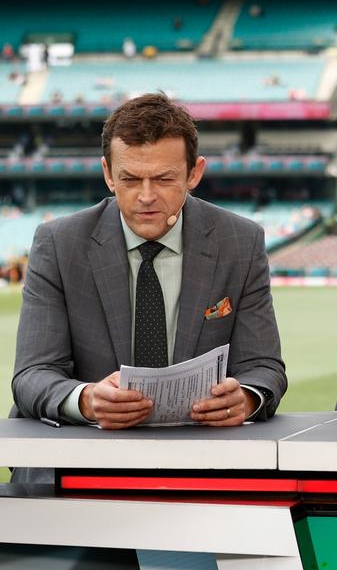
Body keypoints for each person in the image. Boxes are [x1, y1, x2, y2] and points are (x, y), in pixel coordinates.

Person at [10, 93, 287, 480]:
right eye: (129, 179)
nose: (145, 197)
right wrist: (87, 400)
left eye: (163, 179)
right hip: (80, 466)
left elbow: (264, 366)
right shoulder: (59, 243)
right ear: (108, 173)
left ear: (194, 173)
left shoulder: (240, 241)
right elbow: (33, 375)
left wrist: (245, 397)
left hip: (200, 467)